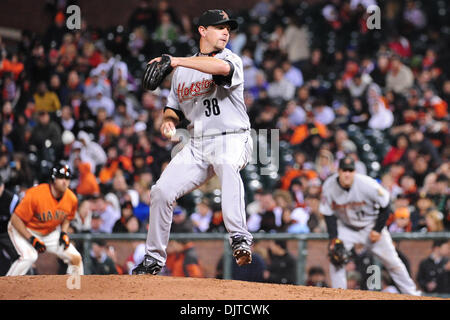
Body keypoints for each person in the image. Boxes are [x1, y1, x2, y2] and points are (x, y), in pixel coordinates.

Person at [133, 9, 253, 275]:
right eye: (219, 26)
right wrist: (169, 121)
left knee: (225, 164)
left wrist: (176, 60)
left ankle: (240, 238)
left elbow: (220, 69)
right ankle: (153, 259)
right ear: (202, 31)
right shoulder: (181, 72)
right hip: (197, 144)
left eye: (228, 28)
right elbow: (172, 106)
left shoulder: (230, 59)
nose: (226, 32)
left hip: (233, 137)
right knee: (161, 191)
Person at [319, 156, 421, 296]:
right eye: (344, 170)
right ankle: (339, 295)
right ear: (339, 171)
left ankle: (412, 294)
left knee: (393, 262)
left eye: (350, 170)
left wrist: (377, 229)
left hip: (370, 225)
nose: (347, 174)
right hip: (346, 227)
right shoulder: (329, 186)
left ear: (355, 172)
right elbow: (328, 213)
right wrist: (333, 238)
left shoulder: (367, 184)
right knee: (336, 259)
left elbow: (386, 206)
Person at [6, 163, 83, 276]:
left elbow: (68, 217)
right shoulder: (36, 195)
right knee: (29, 257)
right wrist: (31, 239)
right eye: (61, 177)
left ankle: (74, 290)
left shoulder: (71, 199)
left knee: (75, 257)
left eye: (67, 178)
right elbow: (15, 220)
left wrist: (63, 233)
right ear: (53, 180)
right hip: (23, 229)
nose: (64, 181)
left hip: (48, 233)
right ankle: (5, 289)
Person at [0, 176, 20, 275]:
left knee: (19, 255)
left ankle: (24, 277)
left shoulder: (12, 199)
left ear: (2, 186)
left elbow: (19, 219)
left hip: (8, 233)